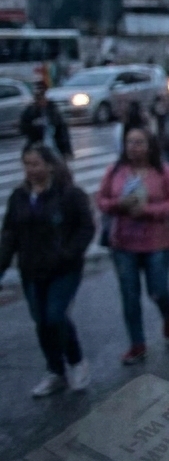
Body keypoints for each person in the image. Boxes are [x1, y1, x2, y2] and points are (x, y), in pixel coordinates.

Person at [0, 144, 95, 397]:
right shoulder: (19, 196)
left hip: (63, 269)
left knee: (55, 315)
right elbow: (9, 235)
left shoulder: (68, 194)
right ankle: (55, 371)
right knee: (41, 321)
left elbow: (86, 227)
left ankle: (76, 361)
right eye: (27, 164)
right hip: (32, 269)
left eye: (36, 164)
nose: (30, 170)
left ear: (50, 165)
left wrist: (69, 252)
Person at [96, 126, 169, 365]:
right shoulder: (116, 171)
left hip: (156, 240)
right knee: (129, 295)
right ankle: (137, 344)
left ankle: (168, 314)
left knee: (158, 289)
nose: (133, 148)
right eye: (129, 142)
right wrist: (118, 205)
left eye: (139, 142)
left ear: (149, 145)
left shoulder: (163, 171)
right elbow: (101, 199)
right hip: (123, 243)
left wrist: (149, 210)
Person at [20, 82, 72, 159]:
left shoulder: (53, 110)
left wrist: (66, 150)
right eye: (38, 98)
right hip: (38, 147)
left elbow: (62, 130)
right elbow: (24, 127)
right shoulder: (31, 111)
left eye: (42, 98)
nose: (41, 101)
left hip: (54, 146)